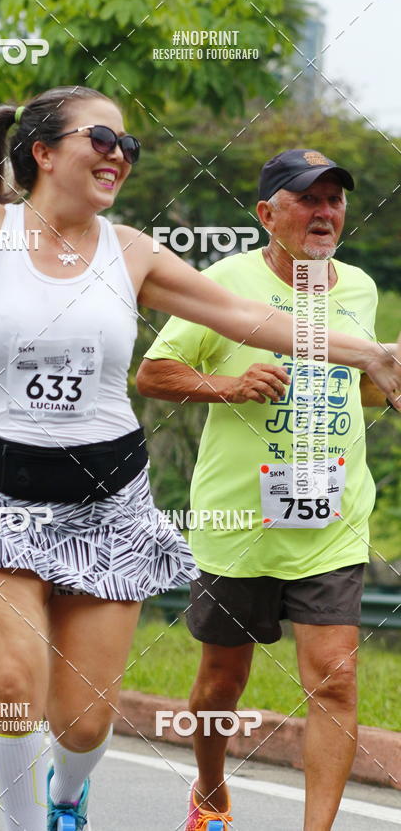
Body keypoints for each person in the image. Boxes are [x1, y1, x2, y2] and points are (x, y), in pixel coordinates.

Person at [0, 0, 399, 829]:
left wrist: (367, 351)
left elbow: (247, 316)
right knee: (11, 690)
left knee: (82, 722)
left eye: (130, 146)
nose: (120, 155)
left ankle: (68, 798)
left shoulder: (134, 253)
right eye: (102, 140)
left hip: (107, 497)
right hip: (0, 490)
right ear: (44, 152)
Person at [137, 149, 396, 831]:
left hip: (330, 518)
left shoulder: (360, 290)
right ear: (267, 214)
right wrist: (230, 384)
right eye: (308, 199)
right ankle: (211, 788)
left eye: (335, 198)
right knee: (221, 684)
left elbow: (357, 387)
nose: (325, 212)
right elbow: (154, 374)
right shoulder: (224, 282)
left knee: (335, 681)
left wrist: (386, 387)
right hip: (237, 524)